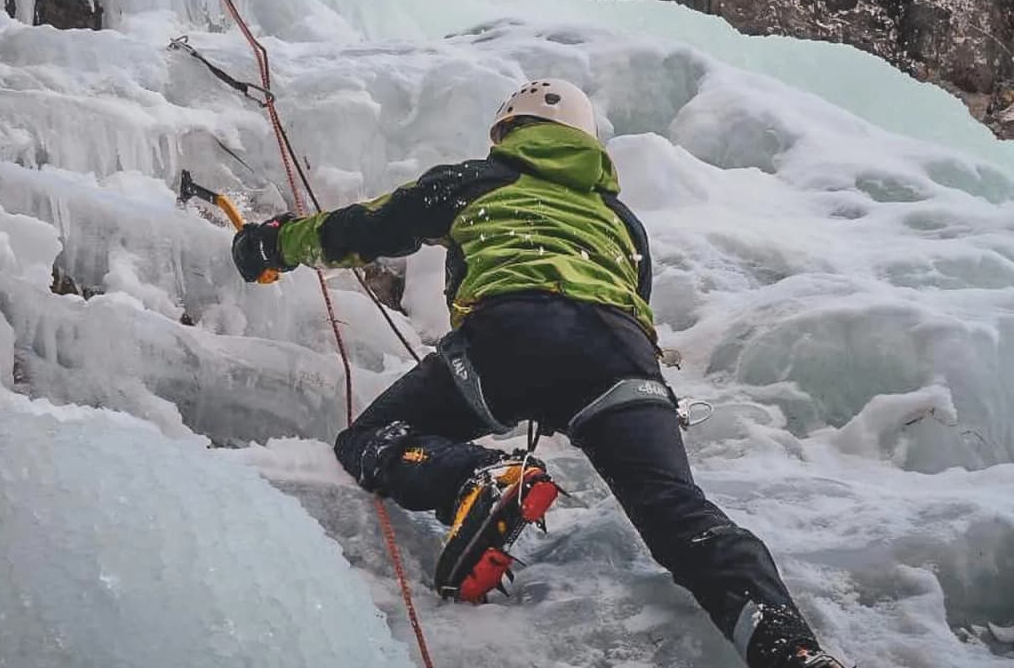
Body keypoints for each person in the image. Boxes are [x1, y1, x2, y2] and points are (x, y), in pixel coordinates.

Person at [230, 79, 847, 668]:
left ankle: (472, 477)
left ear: (508, 134)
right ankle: (789, 647)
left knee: (368, 438)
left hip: (514, 331)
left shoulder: (478, 179)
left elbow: (371, 227)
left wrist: (275, 245)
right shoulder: (621, 220)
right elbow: (636, 300)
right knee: (680, 513)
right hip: (622, 358)